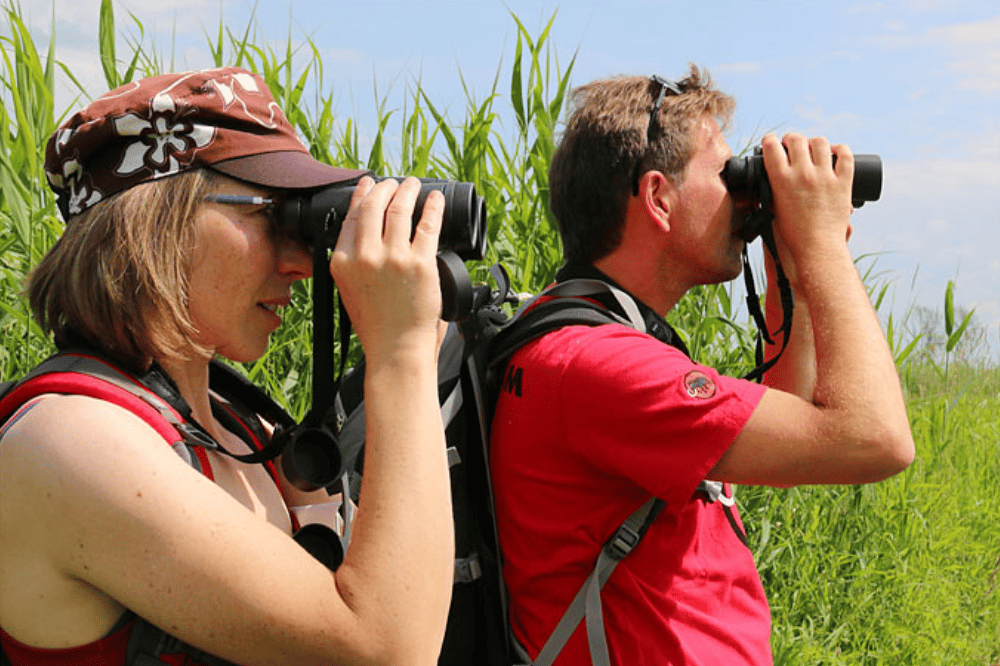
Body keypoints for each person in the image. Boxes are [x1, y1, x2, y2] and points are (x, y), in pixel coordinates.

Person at [0, 67, 453, 665]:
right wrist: (402, 355)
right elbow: (387, 648)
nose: (301, 262)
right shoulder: (66, 441)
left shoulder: (241, 428)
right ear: (157, 218)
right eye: (274, 215)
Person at [489, 65, 915, 664]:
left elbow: (790, 447)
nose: (746, 196)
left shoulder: (590, 335)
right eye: (726, 173)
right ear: (659, 198)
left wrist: (787, 275)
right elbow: (877, 440)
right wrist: (821, 243)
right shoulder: (601, 365)